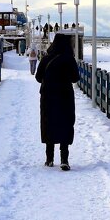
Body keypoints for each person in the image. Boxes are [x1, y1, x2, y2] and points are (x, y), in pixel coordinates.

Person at [35, 32, 80, 170]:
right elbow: (75, 78)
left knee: (49, 123)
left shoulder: (46, 59)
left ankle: (49, 159)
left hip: (48, 96)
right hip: (65, 96)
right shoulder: (69, 59)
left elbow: (38, 77)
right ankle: (64, 159)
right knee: (65, 124)